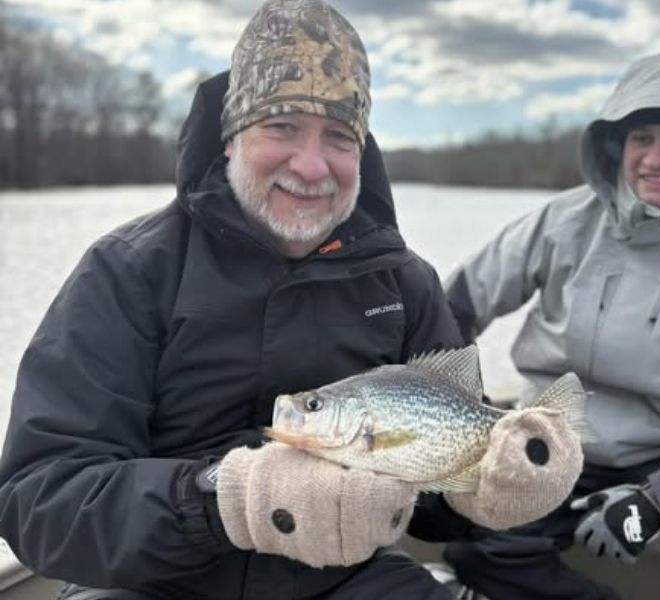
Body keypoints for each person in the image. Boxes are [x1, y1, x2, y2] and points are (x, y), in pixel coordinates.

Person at [0, 1, 583, 599]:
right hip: (153, 582)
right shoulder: (129, 270)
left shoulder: (406, 284)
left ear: (361, 153)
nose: (311, 165)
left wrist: (487, 491)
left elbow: (436, 498)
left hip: (345, 579)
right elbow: (39, 499)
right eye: (281, 127)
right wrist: (225, 501)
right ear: (230, 139)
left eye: (337, 137)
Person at [443, 50, 660, 600]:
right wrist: (467, 423)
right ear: (615, 145)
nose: (657, 158)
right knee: (473, 545)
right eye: (642, 139)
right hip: (550, 444)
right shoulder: (561, 221)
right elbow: (451, 313)